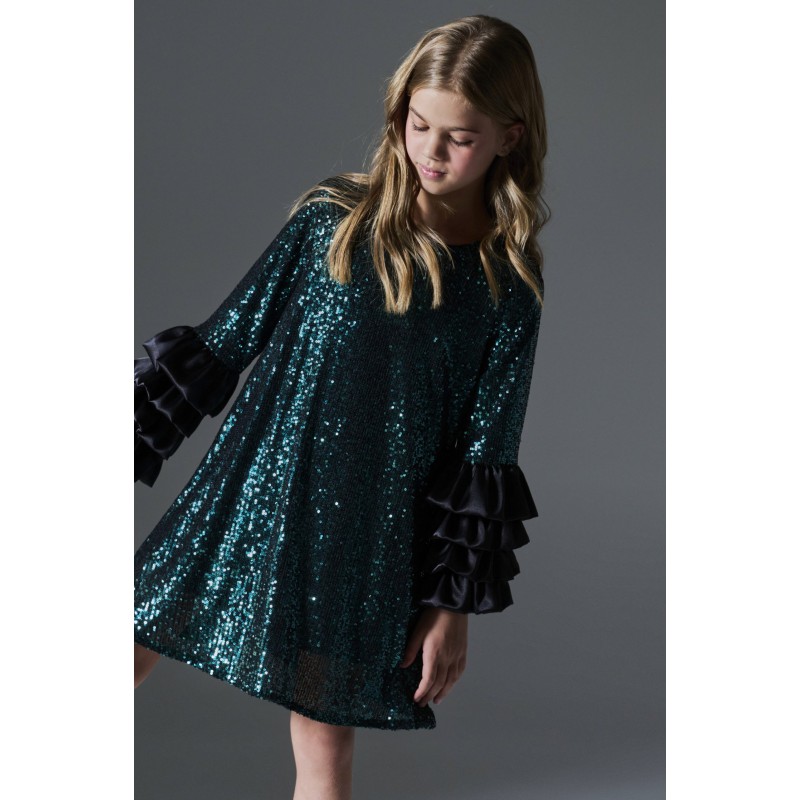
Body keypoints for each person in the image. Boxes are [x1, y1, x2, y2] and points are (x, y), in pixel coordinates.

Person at [134, 13, 548, 800]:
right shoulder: (334, 219)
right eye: (417, 125)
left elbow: (485, 451)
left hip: (367, 538)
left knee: (324, 744)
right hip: (248, 496)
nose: (430, 151)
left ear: (510, 137)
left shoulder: (508, 286)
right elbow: (223, 342)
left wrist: (449, 608)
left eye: (458, 138)